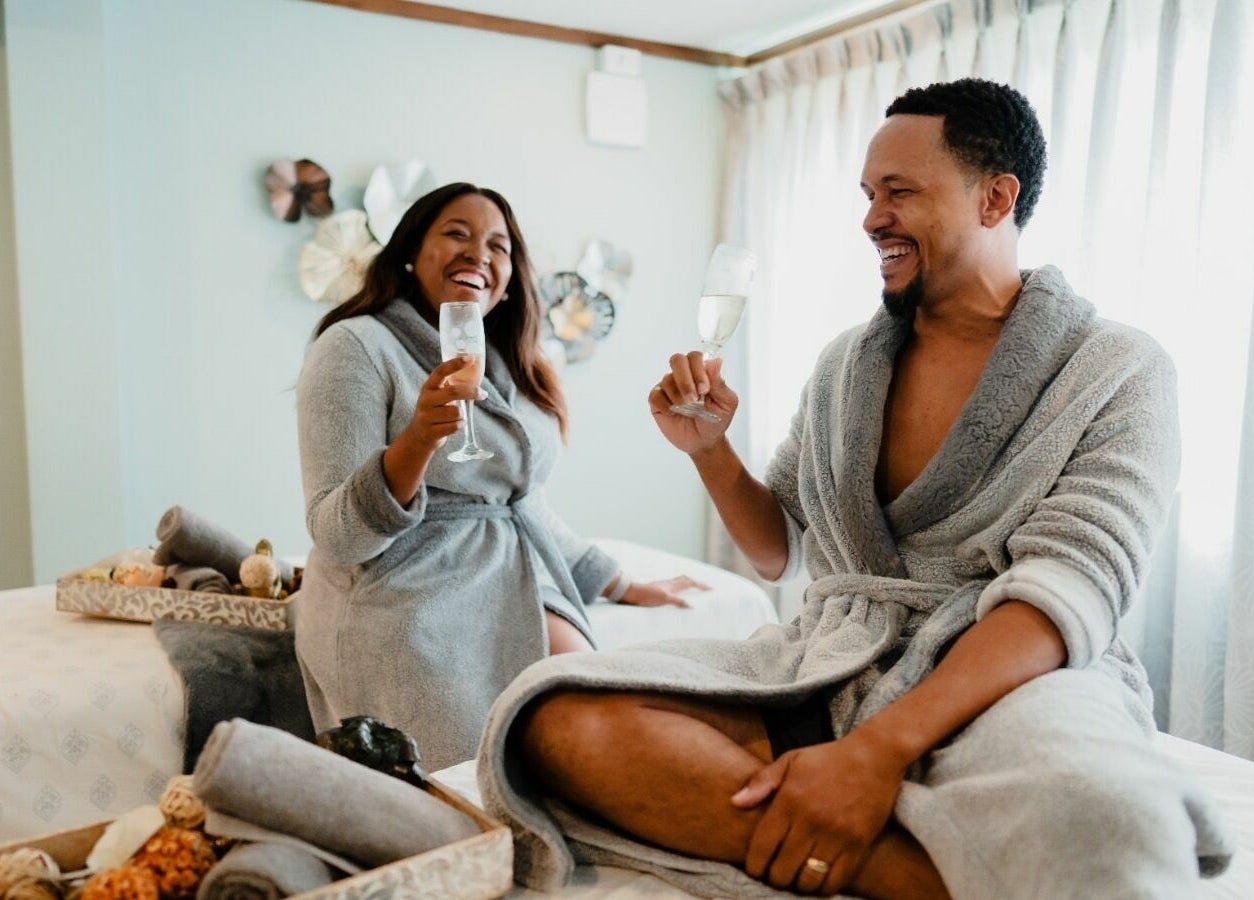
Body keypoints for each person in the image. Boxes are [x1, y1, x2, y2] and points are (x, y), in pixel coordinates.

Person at [474, 80, 1232, 898]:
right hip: (832, 661)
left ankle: (862, 809)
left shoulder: (1116, 369)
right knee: (554, 715)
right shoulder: (845, 365)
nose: (872, 218)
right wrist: (710, 452)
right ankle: (903, 869)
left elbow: (1067, 591)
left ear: (996, 197)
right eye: (869, 195)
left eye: (899, 192)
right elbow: (776, 550)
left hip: (1013, 680)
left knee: (1114, 821)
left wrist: (876, 754)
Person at [293, 182, 705, 771]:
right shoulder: (356, 346)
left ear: (510, 278)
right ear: (411, 252)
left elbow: (516, 500)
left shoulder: (513, 361)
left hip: (508, 571)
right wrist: (416, 442)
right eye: (456, 234)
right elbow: (337, 534)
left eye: (499, 246)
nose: (479, 254)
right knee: (486, 774)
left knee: (599, 721)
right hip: (404, 590)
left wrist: (613, 580)